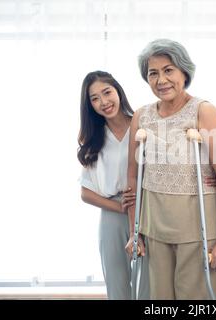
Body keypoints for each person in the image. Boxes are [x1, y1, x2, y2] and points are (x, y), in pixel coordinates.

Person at [125, 39, 216, 299]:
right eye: (153, 73)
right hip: (155, 231)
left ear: (184, 72)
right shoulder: (141, 116)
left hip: (198, 230)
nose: (161, 80)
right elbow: (132, 175)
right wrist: (135, 232)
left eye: (168, 70)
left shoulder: (204, 111)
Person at [77, 70, 150, 300]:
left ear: (117, 90)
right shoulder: (94, 138)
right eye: (95, 98)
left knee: (148, 285)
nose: (103, 102)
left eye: (106, 92)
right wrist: (119, 206)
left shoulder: (143, 127)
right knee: (117, 288)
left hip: (145, 210)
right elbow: (85, 192)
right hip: (112, 214)